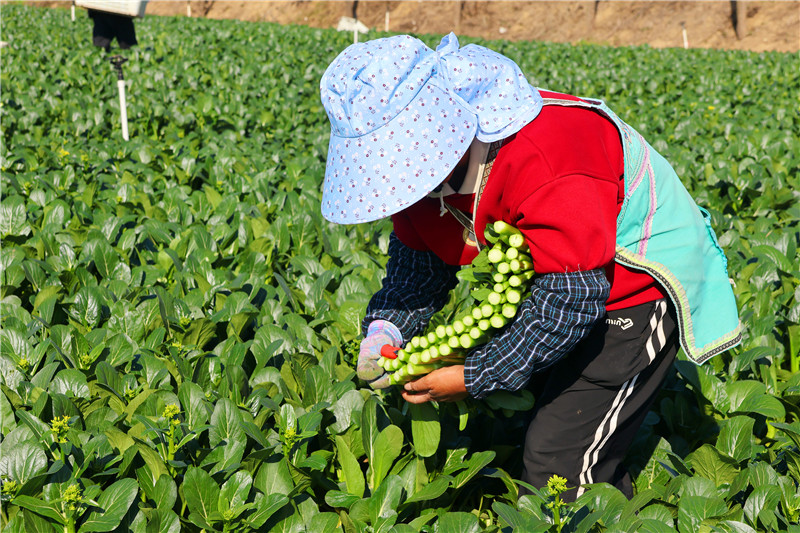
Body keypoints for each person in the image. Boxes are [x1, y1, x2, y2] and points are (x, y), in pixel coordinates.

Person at [318, 33, 741, 501]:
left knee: (557, 462)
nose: (399, 187)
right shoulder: (425, 181)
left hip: (633, 288)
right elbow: (419, 266)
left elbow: (572, 299)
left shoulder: (549, 156)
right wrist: (386, 329)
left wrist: (474, 375)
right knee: (535, 414)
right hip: (553, 278)